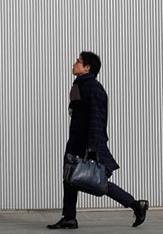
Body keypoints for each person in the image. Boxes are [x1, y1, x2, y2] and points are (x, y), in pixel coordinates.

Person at [47, 52, 149, 229]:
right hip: (76, 141)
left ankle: (135, 204)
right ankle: (69, 217)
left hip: (87, 143)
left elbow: (98, 118)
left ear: (87, 68)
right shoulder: (80, 85)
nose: (74, 64)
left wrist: (93, 146)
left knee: (97, 182)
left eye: (78, 62)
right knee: (70, 178)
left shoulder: (94, 88)